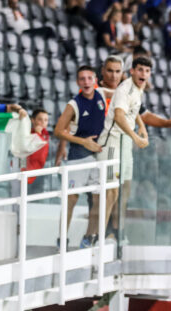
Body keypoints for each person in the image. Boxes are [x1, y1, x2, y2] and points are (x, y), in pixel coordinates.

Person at [93, 56, 151, 246]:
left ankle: (117, 232)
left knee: (124, 190)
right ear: (132, 71)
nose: (143, 74)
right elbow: (118, 116)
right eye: (140, 69)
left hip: (125, 144)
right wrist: (135, 137)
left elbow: (132, 112)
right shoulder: (124, 88)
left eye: (147, 71)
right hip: (112, 143)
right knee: (110, 193)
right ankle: (98, 237)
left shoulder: (138, 90)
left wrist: (141, 126)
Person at [53, 65, 106, 248]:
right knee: (71, 200)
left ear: (95, 81)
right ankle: (62, 240)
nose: (86, 82)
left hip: (98, 156)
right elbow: (59, 131)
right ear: (78, 82)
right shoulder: (73, 104)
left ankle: (88, 238)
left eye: (89, 78)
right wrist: (83, 142)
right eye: (82, 79)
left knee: (98, 200)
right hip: (79, 154)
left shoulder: (102, 96)